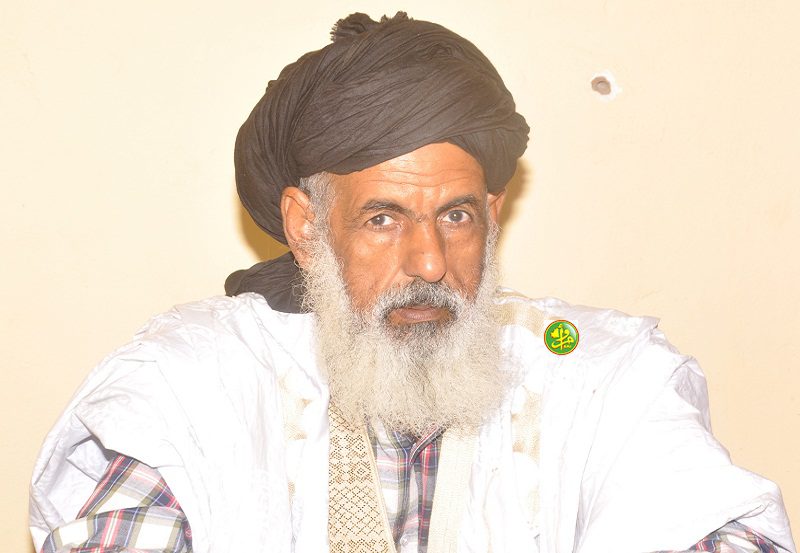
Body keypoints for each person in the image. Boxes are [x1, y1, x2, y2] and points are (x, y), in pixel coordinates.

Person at [29, 12, 794, 553]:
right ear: (306, 226)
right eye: (383, 218)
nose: (430, 262)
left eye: (456, 216)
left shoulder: (592, 367)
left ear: (493, 214)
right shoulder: (200, 377)